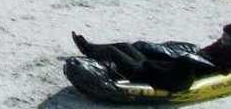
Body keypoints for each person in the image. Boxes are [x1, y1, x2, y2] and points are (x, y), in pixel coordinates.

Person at [71, 26, 231, 92]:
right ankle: (88, 47)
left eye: (226, 36)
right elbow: (203, 51)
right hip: (156, 67)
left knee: (115, 52)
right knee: (124, 46)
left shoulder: (219, 60)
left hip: (145, 72)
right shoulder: (219, 46)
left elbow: (220, 69)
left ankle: (90, 51)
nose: (222, 37)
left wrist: (200, 58)